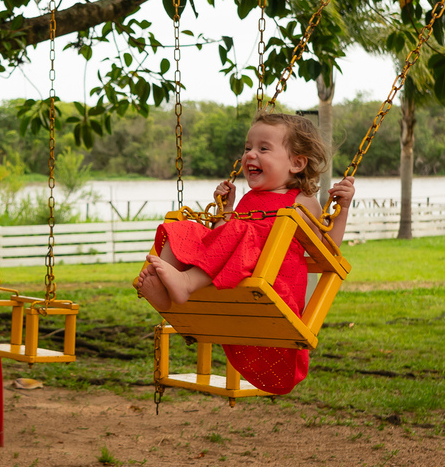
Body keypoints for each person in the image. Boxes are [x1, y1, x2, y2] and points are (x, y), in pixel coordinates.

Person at [134, 111, 355, 394]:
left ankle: (184, 283)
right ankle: (167, 287)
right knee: (183, 227)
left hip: (275, 284)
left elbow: (326, 250)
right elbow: (221, 243)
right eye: (248, 147)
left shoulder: (303, 202)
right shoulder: (249, 200)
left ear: (297, 163)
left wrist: (343, 209)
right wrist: (227, 210)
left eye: (263, 148)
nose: (250, 155)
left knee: (240, 230)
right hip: (239, 277)